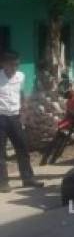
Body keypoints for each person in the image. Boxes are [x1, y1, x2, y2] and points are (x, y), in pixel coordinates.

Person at [0, 51, 43, 191]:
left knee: (23, 148)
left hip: (16, 117)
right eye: (11, 65)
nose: (14, 68)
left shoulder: (20, 76)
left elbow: (21, 94)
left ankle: (28, 178)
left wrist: (24, 113)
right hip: (1, 117)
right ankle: (3, 182)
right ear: (3, 64)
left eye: (17, 65)